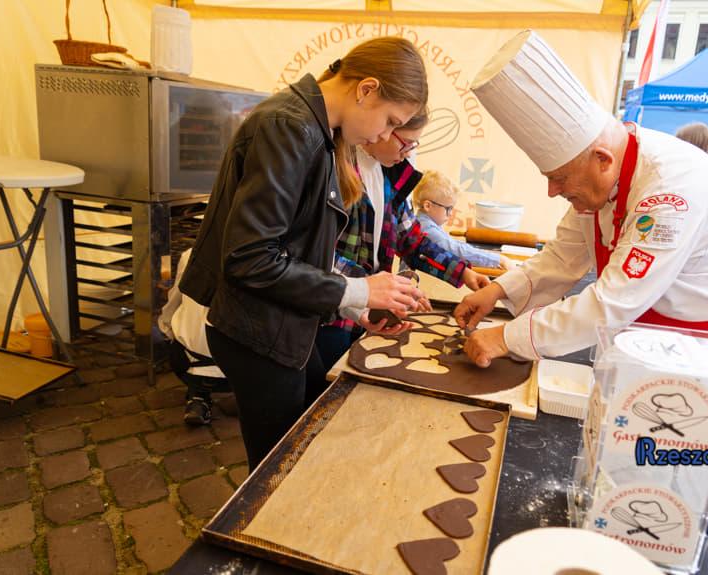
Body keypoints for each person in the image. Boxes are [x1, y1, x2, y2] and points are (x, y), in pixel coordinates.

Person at [457, 30, 708, 535]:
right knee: (638, 478)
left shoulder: (671, 192)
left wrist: (504, 338)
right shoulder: (601, 179)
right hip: (672, 341)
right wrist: (499, 290)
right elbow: (563, 257)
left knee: (685, 500)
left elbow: (608, 304)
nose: (552, 190)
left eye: (559, 177)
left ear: (602, 158)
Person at [179, 37, 428, 468]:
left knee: (307, 438)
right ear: (366, 89)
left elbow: (300, 248)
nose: (386, 136)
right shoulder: (288, 128)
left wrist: (353, 308)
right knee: (278, 468)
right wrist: (358, 290)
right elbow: (251, 257)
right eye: (390, 121)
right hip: (258, 330)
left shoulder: (319, 132)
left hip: (286, 323)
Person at [316, 114, 490, 368]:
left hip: (369, 310)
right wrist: (372, 288)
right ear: (382, 129)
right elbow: (320, 255)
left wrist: (463, 273)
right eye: (406, 143)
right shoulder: (338, 171)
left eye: (414, 146)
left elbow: (413, 241)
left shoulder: (391, 176)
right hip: (330, 315)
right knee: (329, 372)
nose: (408, 153)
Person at [158, 248, 228, 426]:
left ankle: (198, 397)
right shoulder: (267, 255)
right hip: (247, 371)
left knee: (174, 324)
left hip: (189, 365)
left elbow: (173, 301)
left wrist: (166, 329)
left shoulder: (191, 254)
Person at [412, 170, 517, 270]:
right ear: (428, 206)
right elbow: (457, 250)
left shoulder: (429, 224)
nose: (451, 213)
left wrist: (491, 256)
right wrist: (498, 260)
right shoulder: (426, 229)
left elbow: (455, 244)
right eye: (448, 209)